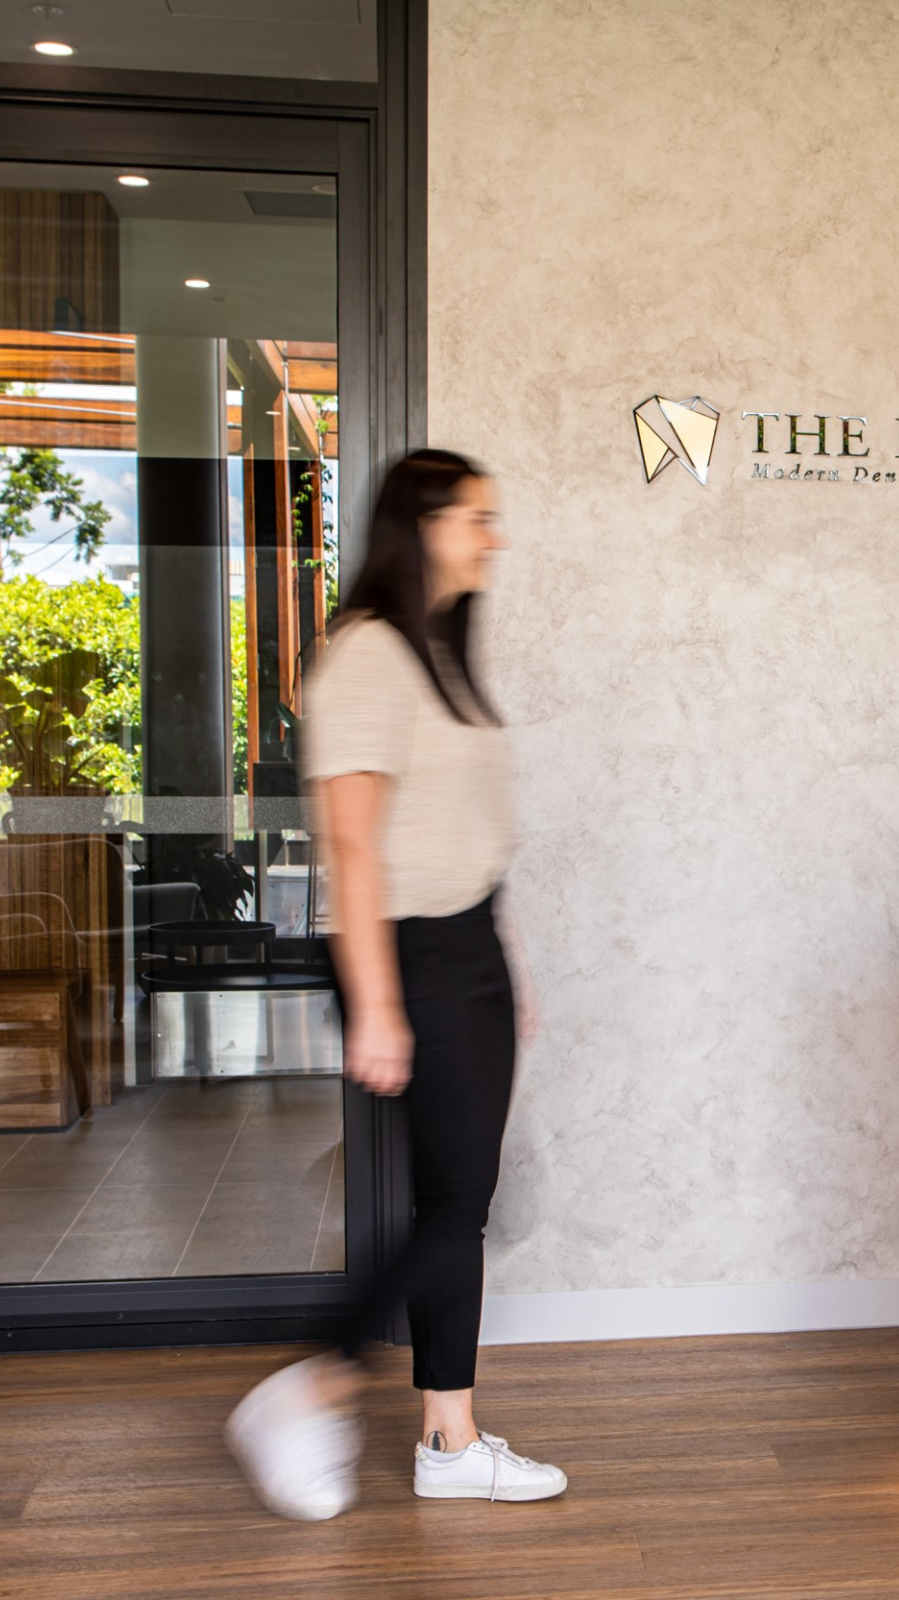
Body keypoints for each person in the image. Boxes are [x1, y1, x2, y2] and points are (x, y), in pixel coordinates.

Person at [225, 449, 565, 1518]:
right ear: (419, 526)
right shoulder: (366, 656)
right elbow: (353, 848)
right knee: (457, 1200)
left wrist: (503, 957)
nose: (493, 536)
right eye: (476, 517)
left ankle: (448, 1438)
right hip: (405, 951)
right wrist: (375, 1002)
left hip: (465, 944)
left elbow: (462, 832)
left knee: (459, 1201)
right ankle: (310, 1379)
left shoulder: (437, 655)